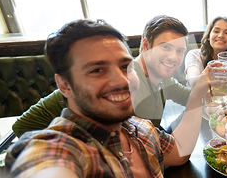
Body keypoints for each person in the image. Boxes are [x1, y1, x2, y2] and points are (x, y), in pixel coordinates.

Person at [5, 19, 208, 178]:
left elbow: (180, 151)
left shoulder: (141, 130)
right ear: (64, 84)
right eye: (97, 70)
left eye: (124, 66)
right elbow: (48, 177)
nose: (121, 80)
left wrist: (198, 94)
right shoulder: (64, 150)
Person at [12, 15, 192, 136]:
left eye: (180, 51)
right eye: (165, 47)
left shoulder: (163, 79)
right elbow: (23, 126)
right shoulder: (121, 84)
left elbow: (190, 98)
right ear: (145, 45)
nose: (173, 57)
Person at [184, 16, 227, 87]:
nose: (221, 35)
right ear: (208, 36)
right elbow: (193, 82)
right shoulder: (194, 55)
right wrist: (211, 73)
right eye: (216, 31)